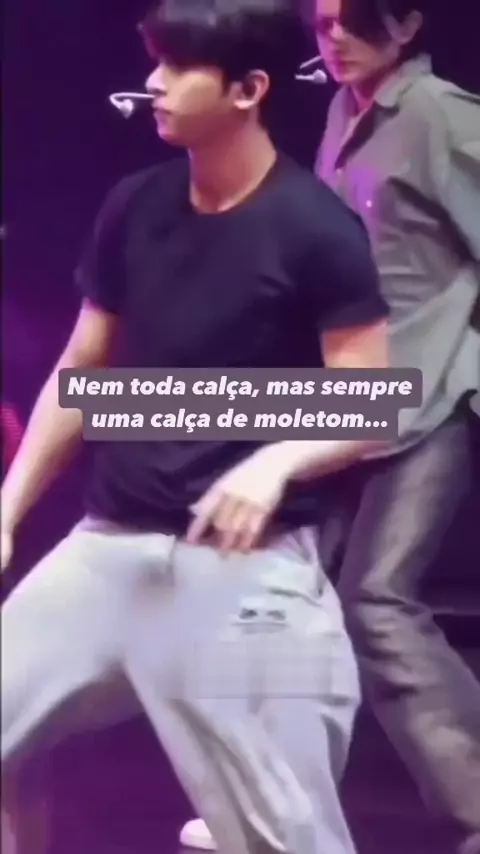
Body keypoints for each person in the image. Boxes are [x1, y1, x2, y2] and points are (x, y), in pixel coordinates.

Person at [0, 0, 391, 852]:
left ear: (248, 90)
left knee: (288, 835)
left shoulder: (315, 231)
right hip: (108, 554)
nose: (154, 84)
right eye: (155, 61)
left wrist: (277, 461)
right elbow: (82, 371)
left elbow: (370, 405)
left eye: (179, 68)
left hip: (244, 571)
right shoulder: (135, 205)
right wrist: (8, 507)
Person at [179, 1, 480, 852]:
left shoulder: (442, 118)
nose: (333, 37)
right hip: (345, 403)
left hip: (429, 396)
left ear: (407, 24)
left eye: (352, 20)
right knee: (288, 592)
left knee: (377, 600)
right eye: (321, 23)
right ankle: (270, 806)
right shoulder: (343, 114)